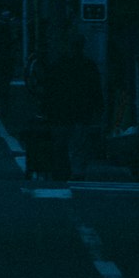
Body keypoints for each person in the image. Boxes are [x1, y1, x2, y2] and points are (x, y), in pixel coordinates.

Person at [42, 34, 104, 180]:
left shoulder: (58, 65)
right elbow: (95, 89)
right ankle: (77, 171)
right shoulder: (88, 65)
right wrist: (98, 107)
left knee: (60, 144)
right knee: (79, 143)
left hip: (60, 111)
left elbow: (49, 89)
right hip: (82, 111)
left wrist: (45, 108)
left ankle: (61, 170)